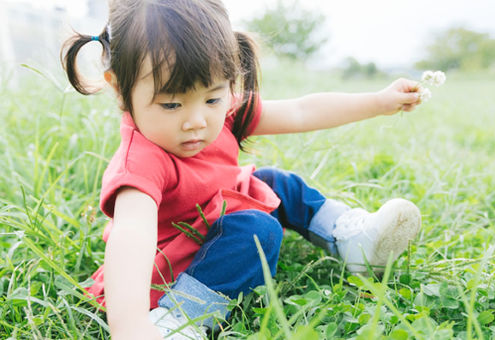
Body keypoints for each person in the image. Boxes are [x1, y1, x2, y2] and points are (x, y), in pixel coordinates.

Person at [61, 0, 422, 339]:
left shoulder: (224, 113)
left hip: (216, 213)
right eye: (172, 104)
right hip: (178, 262)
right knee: (255, 230)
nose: (197, 121)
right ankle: (179, 320)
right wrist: (131, 327)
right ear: (122, 91)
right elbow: (131, 236)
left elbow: (300, 111)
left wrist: (377, 102)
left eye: (213, 98)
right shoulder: (143, 160)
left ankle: (352, 241)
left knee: (274, 183)